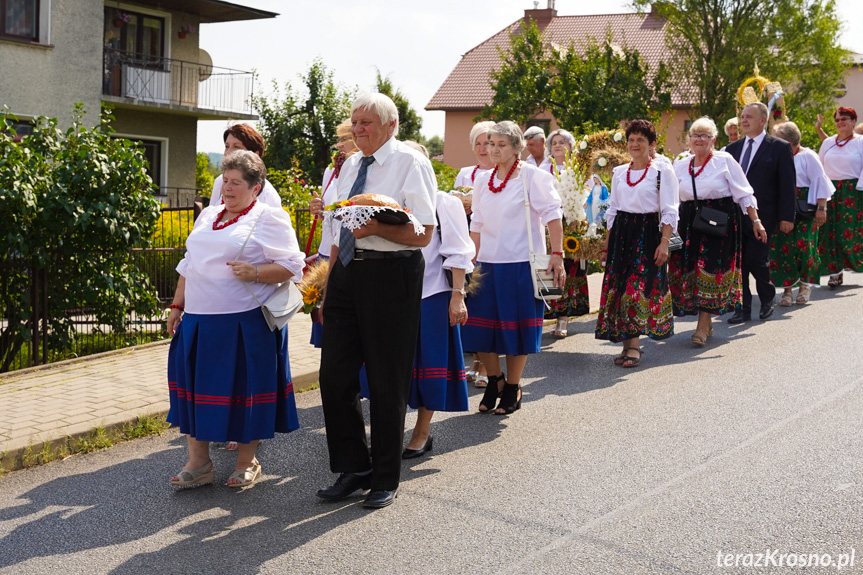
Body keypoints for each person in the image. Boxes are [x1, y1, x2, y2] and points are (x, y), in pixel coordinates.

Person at [315, 94, 437, 509]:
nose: (358, 128)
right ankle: (356, 466)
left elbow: (423, 234)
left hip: (392, 274)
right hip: (348, 273)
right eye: (354, 121)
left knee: (387, 379)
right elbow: (339, 226)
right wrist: (331, 281)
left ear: (391, 124)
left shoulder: (411, 162)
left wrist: (373, 233)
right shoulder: (350, 165)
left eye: (367, 121)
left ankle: (385, 476)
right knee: (333, 377)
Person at [166, 151, 304, 488]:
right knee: (196, 394)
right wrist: (177, 305)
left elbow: (293, 267)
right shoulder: (209, 214)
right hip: (199, 322)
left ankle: (248, 462)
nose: (227, 188)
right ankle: (199, 464)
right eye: (224, 181)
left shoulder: (268, 218)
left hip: (243, 324)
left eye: (235, 183)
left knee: (245, 394)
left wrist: (256, 272)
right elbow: (189, 262)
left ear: (255, 188)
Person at [463, 121, 565, 415]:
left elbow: (552, 215)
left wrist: (557, 254)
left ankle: (513, 386)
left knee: (516, 330)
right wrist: (470, 261)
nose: (492, 149)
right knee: (480, 329)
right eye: (489, 143)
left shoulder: (532, 176)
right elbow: (478, 223)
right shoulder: (483, 180)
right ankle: (495, 379)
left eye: (500, 144)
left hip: (523, 264)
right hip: (486, 265)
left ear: (517, 147)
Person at [670, 117, 766, 346]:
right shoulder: (681, 163)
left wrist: (756, 221)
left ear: (713, 139)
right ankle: (707, 320)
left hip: (717, 223)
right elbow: (672, 198)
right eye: (695, 135)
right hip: (688, 223)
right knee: (691, 271)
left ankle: (703, 325)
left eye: (705, 135)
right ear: (689, 139)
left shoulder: (725, 160)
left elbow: (744, 193)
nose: (699, 139)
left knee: (710, 271)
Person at [596, 120, 678, 366]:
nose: (634, 144)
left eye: (640, 140)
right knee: (619, 288)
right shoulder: (620, 172)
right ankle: (627, 344)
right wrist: (607, 245)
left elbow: (670, 211)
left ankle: (634, 346)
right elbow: (613, 210)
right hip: (622, 233)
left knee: (636, 288)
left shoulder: (662, 173)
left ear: (652, 144)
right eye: (631, 140)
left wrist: (665, 243)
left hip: (647, 234)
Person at [403, 188, 474, 459]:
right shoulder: (391, 195)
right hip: (394, 296)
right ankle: (391, 430)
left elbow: (458, 251)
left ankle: (421, 431)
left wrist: (458, 296)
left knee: (429, 368)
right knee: (393, 370)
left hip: (432, 294)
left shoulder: (445, 202)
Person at [726, 102, 796, 323]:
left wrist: (787, 217)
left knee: (756, 260)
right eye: (742, 117)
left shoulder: (779, 147)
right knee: (739, 264)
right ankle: (743, 308)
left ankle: (767, 299)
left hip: (763, 216)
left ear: (763, 120)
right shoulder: (731, 149)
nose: (743, 121)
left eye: (749, 117)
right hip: (735, 216)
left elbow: (787, 185)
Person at [308, 120, 360, 348]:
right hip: (325, 252)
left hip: (347, 253)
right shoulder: (331, 170)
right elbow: (327, 215)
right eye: (338, 139)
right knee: (325, 323)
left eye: (343, 139)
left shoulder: (362, 169)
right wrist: (318, 207)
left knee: (347, 326)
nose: (338, 145)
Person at [771, 121, 835, 304]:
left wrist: (821, 208)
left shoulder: (808, 156)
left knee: (805, 245)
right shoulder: (778, 156)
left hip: (805, 206)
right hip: (783, 204)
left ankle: (805, 286)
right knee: (784, 246)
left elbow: (820, 181)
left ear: (789, 140)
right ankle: (788, 290)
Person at [453, 120, 495, 388]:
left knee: (485, 305)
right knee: (472, 301)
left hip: (491, 242)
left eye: (487, 143)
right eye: (477, 143)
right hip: (466, 241)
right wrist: (461, 207)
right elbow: (453, 203)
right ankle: (475, 362)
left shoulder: (504, 173)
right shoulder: (465, 173)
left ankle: (484, 366)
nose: (482, 148)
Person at [539, 129, 590, 338]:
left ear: (570, 146)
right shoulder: (543, 169)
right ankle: (549, 314)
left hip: (572, 224)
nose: (558, 145)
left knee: (570, 270)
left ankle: (564, 318)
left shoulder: (578, 167)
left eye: (562, 142)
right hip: (548, 224)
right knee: (549, 269)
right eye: (554, 143)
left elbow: (586, 194)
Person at [816, 106, 863, 288]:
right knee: (828, 233)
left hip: (853, 191)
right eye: (837, 120)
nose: (840, 123)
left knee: (848, 232)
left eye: (844, 119)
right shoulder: (828, 143)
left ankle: (854, 263)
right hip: (830, 190)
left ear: (853, 121)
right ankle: (835, 272)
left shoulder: (860, 141)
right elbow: (819, 168)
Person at [210, 124, 281, 208]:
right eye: (227, 146)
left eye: (236, 146)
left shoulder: (267, 194)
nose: (228, 152)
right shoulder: (219, 181)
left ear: (255, 154)